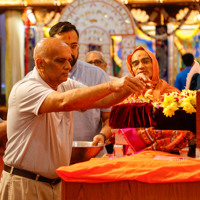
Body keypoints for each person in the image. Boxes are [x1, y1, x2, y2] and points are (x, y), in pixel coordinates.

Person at [0, 37, 147, 200]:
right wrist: (111, 85)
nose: (68, 66)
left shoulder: (65, 84)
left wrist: (131, 86)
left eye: (69, 60)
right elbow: (63, 102)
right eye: (60, 61)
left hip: (55, 183)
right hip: (24, 183)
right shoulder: (26, 88)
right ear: (40, 63)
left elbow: (102, 101)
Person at [49, 22, 113, 154]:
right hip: (53, 155)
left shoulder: (97, 74)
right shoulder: (42, 78)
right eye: (64, 46)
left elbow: (109, 118)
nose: (70, 52)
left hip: (92, 153)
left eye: (74, 46)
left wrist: (103, 136)